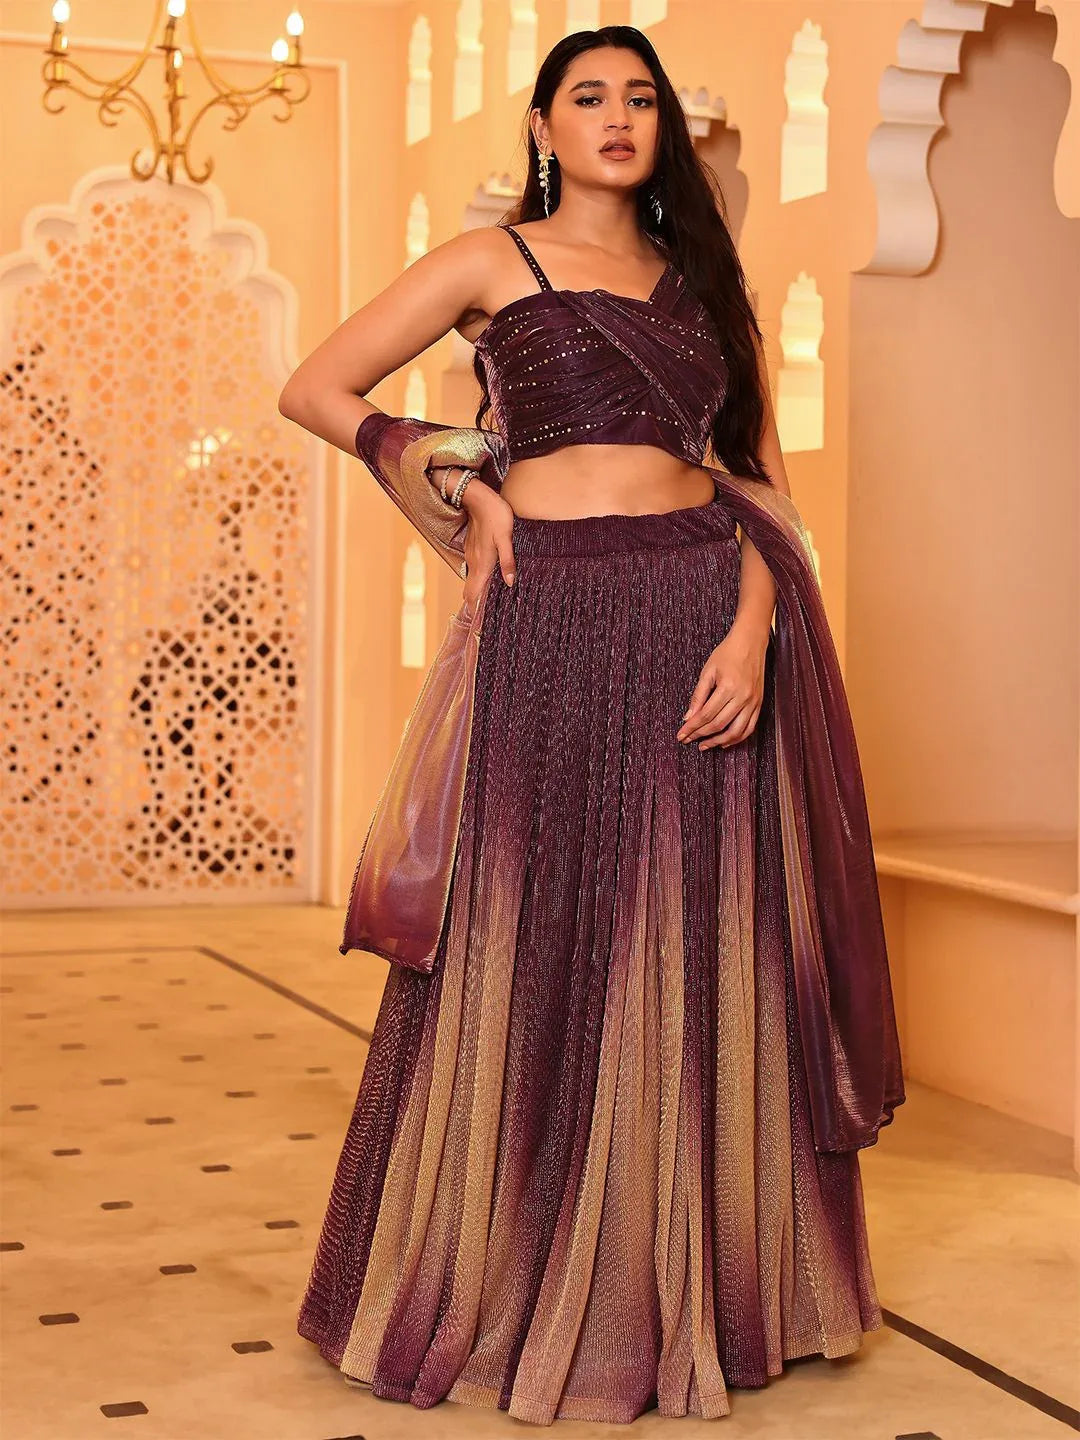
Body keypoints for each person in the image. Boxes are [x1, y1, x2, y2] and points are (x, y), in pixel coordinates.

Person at [278, 23, 904, 1427]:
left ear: (660, 128)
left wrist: (752, 628)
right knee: (535, 928)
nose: (617, 117)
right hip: (549, 616)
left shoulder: (706, 285)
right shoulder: (491, 261)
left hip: (698, 615)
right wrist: (455, 480)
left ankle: (690, 1289)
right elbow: (316, 388)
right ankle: (514, 1274)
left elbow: (762, 486)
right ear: (545, 125)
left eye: (639, 98)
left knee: (695, 935)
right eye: (588, 97)